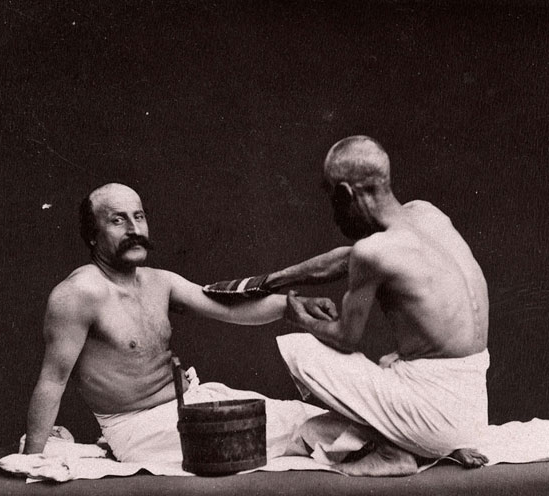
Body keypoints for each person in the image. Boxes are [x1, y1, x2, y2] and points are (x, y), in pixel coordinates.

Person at [205, 136, 490, 476]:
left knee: (303, 351)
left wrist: (298, 317)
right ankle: (428, 442)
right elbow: (344, 258)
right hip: (473, 410)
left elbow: (345, 338)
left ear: (344, 194)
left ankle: (395, 452)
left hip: (433, 413)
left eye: (332, 199)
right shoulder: (427, 215)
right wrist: (272, 280)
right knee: (313, 431)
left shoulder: (374, 253)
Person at [23, 182, 335, 465]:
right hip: (139, 430)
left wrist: (291, 307)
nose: (134, 229)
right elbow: (53, 381)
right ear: (92, 235)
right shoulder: (78, 294)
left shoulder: (160, 281)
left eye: (139, 217)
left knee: (312, 417)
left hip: (191, 404)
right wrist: (31, 461)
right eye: (118, 220)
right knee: (311, 431)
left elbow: (229, 308)